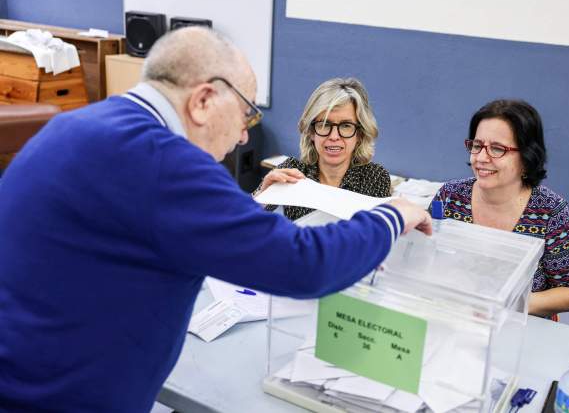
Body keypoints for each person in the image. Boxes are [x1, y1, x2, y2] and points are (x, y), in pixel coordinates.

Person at [0, 28, 432, 413]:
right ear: (205, 99)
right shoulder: (163, 160)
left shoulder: (81, 124)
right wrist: (394, 213)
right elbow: (304, 263)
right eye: (246, 113)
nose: (245, 134)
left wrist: (248, 205)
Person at [431, 99, 569, 318]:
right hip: (453, 317)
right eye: (477, 146)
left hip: (518, 326)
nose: (481, 158)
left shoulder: (551, 212)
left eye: (497, 149)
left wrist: (509, 305)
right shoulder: (450, 196)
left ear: (527, 157)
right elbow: (425, 257)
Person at [254, 77, 391, 220]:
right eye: (324, 124)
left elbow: (378, 235)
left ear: (360, 134)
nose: (334, 136)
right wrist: (261, 196)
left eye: (346, 126)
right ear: (311, 132)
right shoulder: (293, 172)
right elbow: (244, 223)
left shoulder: (375, 177)